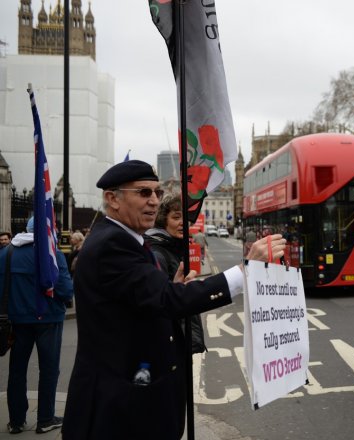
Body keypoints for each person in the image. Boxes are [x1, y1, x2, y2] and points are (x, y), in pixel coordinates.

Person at [61, 160, 285, 440]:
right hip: (120, 407)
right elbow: (168, 300)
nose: (154, 201)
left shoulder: (130, 239)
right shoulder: (111, 244)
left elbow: (146, 298)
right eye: (143, 193)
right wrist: (244, 272)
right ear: (112, 199)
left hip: (137, 397)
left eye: (156, 192)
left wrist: (170, 288)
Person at [0, 218, 74, 434]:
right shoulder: (52, 253)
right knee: (49, 369)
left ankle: (16, 420)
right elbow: (66, 291)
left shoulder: (7, 253)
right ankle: (45, 418)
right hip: (48, 319)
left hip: (17, 320)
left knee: (17, 370)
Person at [145, 192, 206, 353]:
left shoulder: (173, 247)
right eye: (176, 217)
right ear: (163, 220)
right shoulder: (159, 253)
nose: (183, 223)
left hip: (179, 339)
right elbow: (159, 302)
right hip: (170, 343)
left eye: (186, 218)